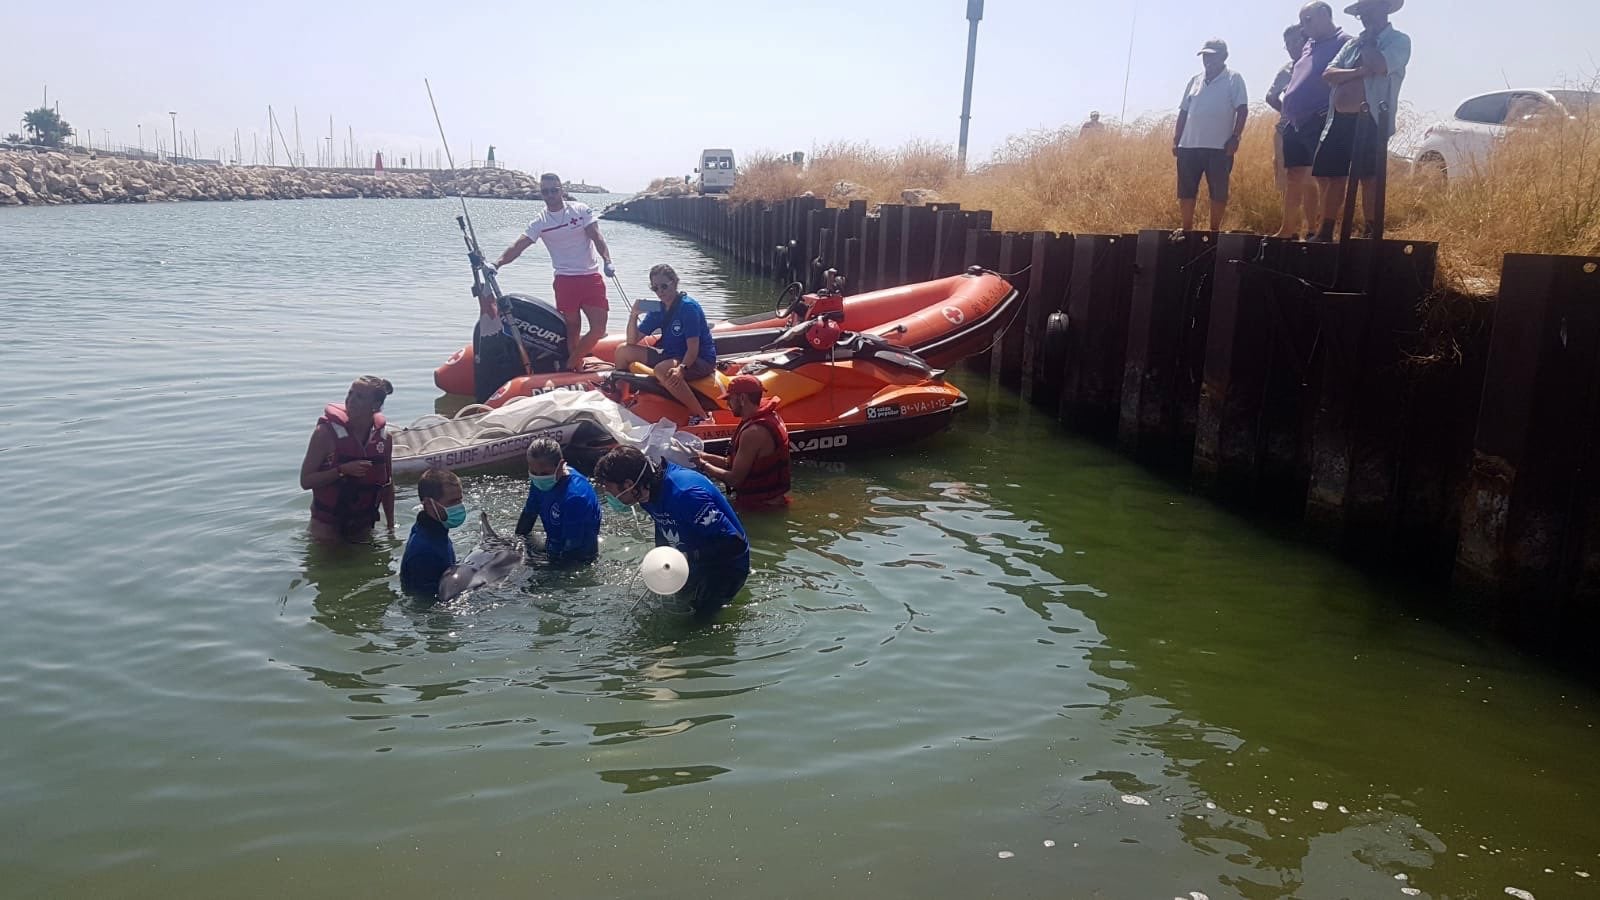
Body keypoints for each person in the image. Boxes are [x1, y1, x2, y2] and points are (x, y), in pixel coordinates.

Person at [595, 446, 750, 621]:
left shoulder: (685, 495)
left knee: (695, 624)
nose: (608, 495)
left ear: (629, 485)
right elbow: (663, 524)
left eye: (610, 489)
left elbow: (735, 544)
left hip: (726, 566)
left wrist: (687, 556)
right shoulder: (645, 492)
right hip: (691, 559)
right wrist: (660, 557)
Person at [491, 172, 617, 371]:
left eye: (554, 190)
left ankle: (571, 363)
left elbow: (597, 237)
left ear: (562, 191)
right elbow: (519, 246)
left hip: (590, 277)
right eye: (545, 191)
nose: (550, 195)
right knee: (573, 328)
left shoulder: (580, 210)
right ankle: (574, 368)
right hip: (565, 281)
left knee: (598, 328)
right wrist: (496, 264)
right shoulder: (541, 221)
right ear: (542, 194)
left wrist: (607, 261)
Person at [1310, 0, 1410, 242]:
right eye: (1361, 12)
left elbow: (1379, 64)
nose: (1364, 16)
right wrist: (1357, 72)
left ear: (1384, 9)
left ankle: (1371, 231)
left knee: (1369, 177)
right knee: (1334, 176)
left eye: (1369, 10)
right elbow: (1329, 74)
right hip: (1339, 120)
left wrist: (1368, 45)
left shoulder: (1398, 41)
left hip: (1371, 119)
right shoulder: (1352, 44)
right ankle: (1325, 230)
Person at [1278, 2, 1352, 239]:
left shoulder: (1345, 42)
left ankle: (1322, 230)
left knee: (1324, 175)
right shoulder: (1309, 45)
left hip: (1320, 117)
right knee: (1293, 175)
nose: (1303, 27)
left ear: (1325, 15)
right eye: (1301, 23)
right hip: (1294, 121)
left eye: (1307, 20)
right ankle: (1288, 228)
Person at [613, 264, 719, 423]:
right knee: (622, 351)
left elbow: (693, 348)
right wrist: (633, 315)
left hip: (698, 358)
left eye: (664, 286)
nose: (660, 292)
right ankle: (620, 399)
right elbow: (631, 341)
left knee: (662, 370)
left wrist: (681, 369)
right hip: (671, 354)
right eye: (655, 288)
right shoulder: (657, 308)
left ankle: (702, 415)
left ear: (675, 283)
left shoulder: (688, 307)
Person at [299, 376, 396, 542]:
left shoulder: (384, 439)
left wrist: (390, 527)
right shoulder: (325, 434)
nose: (350, 400)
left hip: (364, 527)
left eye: (359, 397)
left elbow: (387, 485)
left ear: (376, 405)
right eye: (350, 394)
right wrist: (342, 470)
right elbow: (306, 481)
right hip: (327, 530)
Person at [1173, 39, 1249, 232]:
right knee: (1186, 190)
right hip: (1189, 145)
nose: (1208, 60)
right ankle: (1187, 229)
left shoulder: (1234, 79)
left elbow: (1242, 109)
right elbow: (1183, 112)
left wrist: (1235, 137)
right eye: (1205, 56)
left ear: (1224, 56)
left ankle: (1214, 231)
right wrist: (1177, 139)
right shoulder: (1195, 80)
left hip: (1219, 147)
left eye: (1212, 55)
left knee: (1218, 190)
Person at [697, 375, 791, 511]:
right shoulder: (771, 416)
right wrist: (701, 455)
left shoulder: (753, 432)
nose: (728, 404)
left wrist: (702, 465)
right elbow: (733, 464)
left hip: (762, 510)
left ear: (742, 398)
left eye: (729, 399)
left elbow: (735, 479)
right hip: (773, 502)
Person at [514, 437, 602, 566]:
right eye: (534, 472)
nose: (538, 477)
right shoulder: (538, 482)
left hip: (577, 560)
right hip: (553, 547)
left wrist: (539, 566)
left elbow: (572, 548)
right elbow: (528, 516)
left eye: (544, 473)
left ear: (561, 465)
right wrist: (516, 545)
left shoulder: (575, 497)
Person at [1266, 24, 1308, 235]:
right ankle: (1288, 227)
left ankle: (1311, 229)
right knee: (1284, 177)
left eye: (1296, 42)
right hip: (1286, 129)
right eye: (1288, 44)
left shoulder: (1316, 64)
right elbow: (1270, 96)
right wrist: (1288, 111)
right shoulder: (1286, 70)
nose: (1292, 47)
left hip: (1311, 128)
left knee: (1309, 179)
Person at [400, 468, 465, 597]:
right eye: (452, 502)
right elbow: (429, 604)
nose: (459, 507)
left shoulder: (434, 530)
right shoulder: (425, 552)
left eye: (460, 500)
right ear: (429, 504)